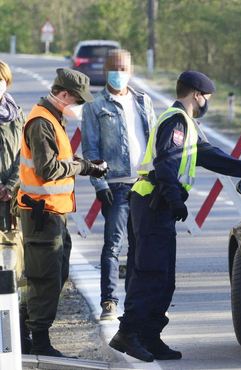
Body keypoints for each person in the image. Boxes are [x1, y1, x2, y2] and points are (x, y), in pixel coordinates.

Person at [110, 71, 241, 362]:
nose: (207, 102)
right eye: (207, 97)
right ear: (197, 94)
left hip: (158, 205)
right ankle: (128, 332)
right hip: (152, 201)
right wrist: (173, 198)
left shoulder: (186, 124)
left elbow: (211, 156)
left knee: (164, 277)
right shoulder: (176, 121)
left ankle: (150, 335)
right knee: (150, 272)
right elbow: (166, 161)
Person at [18, 68, 108, 357]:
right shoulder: (42, 122)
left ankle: (22, 334)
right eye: (78, 100)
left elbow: (61, 161)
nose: (79, 106)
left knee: (53, 274)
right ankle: (39, 343)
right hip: (41, 215)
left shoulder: (53, 118)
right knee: (45, 278)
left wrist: (89, 165)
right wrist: (82, 167)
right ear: (63, 94)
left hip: (52, 214)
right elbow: (48, 170)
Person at [81, 49, 157, 321]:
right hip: (115, 186)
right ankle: (109, 302)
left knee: (139, 247)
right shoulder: (94, 105)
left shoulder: (142, 101)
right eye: (113, 68)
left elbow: (154, 140)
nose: (118, 72)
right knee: (113, 245)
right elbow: (90, 148)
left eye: (123, 68)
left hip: (144, 184)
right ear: (105, 72)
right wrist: (99, 184)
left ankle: (134, 305)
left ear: (131, 70)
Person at [0, 60, 24, 228]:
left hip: (11, 195)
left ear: (6, 83)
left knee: (8, 250)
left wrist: (10, 186)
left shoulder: (17, 115)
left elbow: (24, 153)